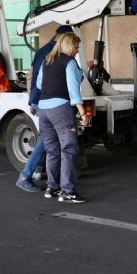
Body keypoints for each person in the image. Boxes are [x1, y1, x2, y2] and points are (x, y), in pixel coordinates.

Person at [15, 24, 72, 193]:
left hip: (40, 101)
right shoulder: (55, 53)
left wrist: (31, 100)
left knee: (48, 140)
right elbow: (43, 80)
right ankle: (25, 175)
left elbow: (31, 75)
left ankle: (41, 171)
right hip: (48, 102)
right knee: (46, 141)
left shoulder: (41, 51)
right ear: (63, 37)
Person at [36, 32, 88, 204]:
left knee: (52, 150)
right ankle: (67, 191)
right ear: (68, 46)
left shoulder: (47, 61)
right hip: (60, 110)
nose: (77, 51)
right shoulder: (69, 62)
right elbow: (74, 91)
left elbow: (38, 84)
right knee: (69, 149)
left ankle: (52, 187)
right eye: (76, 47)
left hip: (43, 110)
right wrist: (82, 113)